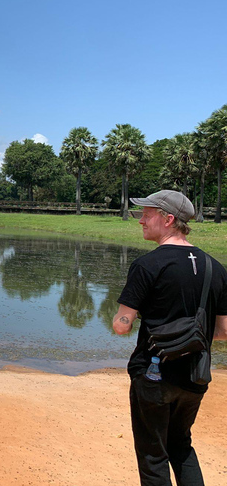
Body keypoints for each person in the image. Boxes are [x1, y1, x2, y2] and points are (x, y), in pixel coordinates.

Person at [112, 190, 227, 486]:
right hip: (195, 376)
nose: (141, 221)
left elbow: (122, 326)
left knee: (153, 454)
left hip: (153, 375)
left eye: (147, 214)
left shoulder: (147, 265)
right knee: (181, 445)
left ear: (169, 220)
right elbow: (223, 332)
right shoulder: (217, 268)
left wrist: (123, 317)